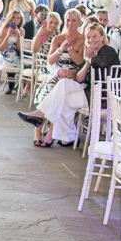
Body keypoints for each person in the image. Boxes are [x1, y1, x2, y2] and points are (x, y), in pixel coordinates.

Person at [18, 8, 85, 146]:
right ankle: (40, 130)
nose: (53, 26)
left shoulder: (79, 39)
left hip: (71, 76)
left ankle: (43, 123)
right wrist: (42, 37)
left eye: (56, 23)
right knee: (50, 87)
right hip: (53, 70)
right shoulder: (51, 37)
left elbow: (80, 62)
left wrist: (69, 50)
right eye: (51, 22)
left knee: (56, 90)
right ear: (46, 22)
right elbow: (38, 51)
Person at [0, 8, 24, 91]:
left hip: (16, 55)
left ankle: (21, 86)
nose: (16, 20)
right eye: (14, 17)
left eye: (18, 18)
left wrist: (19, 37)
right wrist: (8, 35)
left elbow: (20, 49)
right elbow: (1, 48)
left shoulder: (21, 30)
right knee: (13, 60)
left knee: (27, 63)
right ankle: (11, 86)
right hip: (6, 55)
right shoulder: (5, 29)